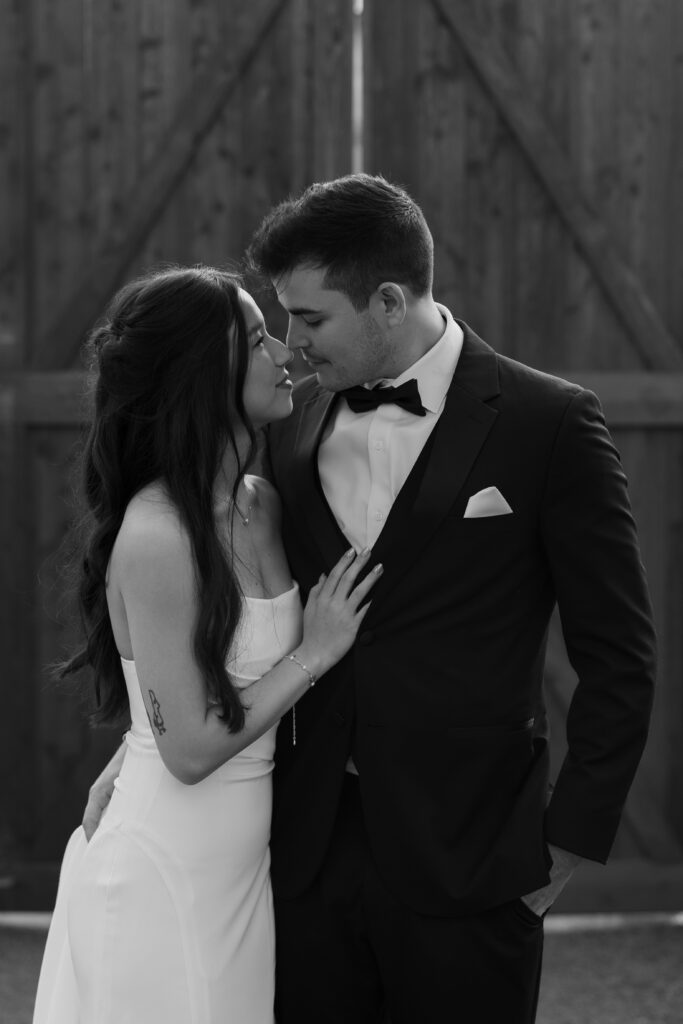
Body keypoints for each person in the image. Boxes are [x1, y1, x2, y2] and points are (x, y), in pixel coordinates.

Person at [242, 173, 657, 1024]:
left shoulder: (549, 424)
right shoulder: (286, 429)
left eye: (309, 318)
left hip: (475, 855)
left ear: (388, 301)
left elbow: (618, 651)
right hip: (307, 852)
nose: (290, 343)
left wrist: (570, 838)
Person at [33, 266, 382, 1024]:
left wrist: (132, 745)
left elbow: (181, 692)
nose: (283, 353)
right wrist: (312, 653)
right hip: (165, 867)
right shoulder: (157, 537)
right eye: (256, 339)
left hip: (242, 874)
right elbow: (188, 748)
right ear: (201, 375)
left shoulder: (263, 504)